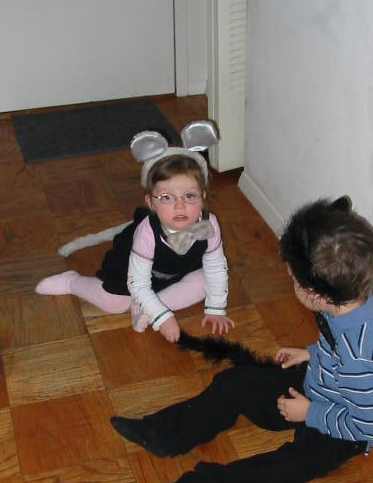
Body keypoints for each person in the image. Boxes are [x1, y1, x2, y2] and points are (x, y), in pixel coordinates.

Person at [110, 196, 373, 483]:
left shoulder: (363, 360)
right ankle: (163, 434)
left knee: (288, 467)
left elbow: (366, 424)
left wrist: (310, 413)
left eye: (294, 280)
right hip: (317, 384)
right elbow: (337, 350)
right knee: (234, 383)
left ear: (316, 294)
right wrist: (310, 353)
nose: (291, 283)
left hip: (343, 429)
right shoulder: (348, 300)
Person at [36, 145, 234, 343]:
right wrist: (164, 318)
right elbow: (137, 283)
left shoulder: (209, 224)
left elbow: (216, 267)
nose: (180, 205)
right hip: (132, 271)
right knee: (113, 303)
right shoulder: (146, 232)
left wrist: (216, 308)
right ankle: (71, 282)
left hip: (178, 270)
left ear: (203, 196)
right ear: (151, 203)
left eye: (189, 196)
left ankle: (145, 307)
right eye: (167, 197)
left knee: (205, 283)